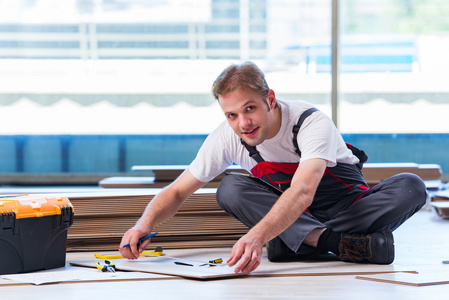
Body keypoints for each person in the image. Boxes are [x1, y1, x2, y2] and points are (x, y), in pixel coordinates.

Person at [119, 61, 427, 274]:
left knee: (411, 186)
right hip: (292, 216)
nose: (243, 123)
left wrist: (257, 236)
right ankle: (336, 244)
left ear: (270, 98)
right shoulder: (229, 136)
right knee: (230, 188)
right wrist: (141, 226)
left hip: (348, 208)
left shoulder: (309, 122)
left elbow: (303, 191)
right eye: (231, 115)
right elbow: (177, 191)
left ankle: (301, 243)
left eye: (250, 108)